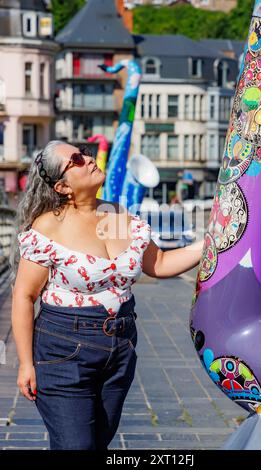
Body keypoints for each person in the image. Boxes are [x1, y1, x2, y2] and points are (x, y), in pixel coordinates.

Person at [9, 140, 204, 450]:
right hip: (63, 351)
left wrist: (210, 243)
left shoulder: (117, 216)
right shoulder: (48, 228)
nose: (87, 158)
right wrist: (25, 364)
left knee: (98, 443)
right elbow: (23, 296)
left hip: (120, 348)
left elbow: (161, 263)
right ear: (62, 186)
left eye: (83, 152)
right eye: (75, 159)